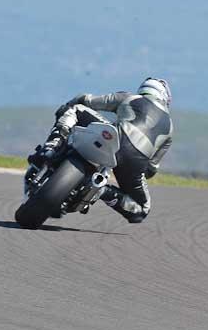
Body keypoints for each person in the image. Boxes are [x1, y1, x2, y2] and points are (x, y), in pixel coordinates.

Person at [28, 78, 173, 224]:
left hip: (115, 135)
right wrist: (132, 173)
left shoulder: (129, 97)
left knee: (75, 109)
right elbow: (151, 169)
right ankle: (102, 191)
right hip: (135, 160)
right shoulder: (170, 129)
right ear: (164, 97)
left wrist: (68, 105)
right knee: (142, 209)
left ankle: (53, 145)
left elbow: (86, 100)